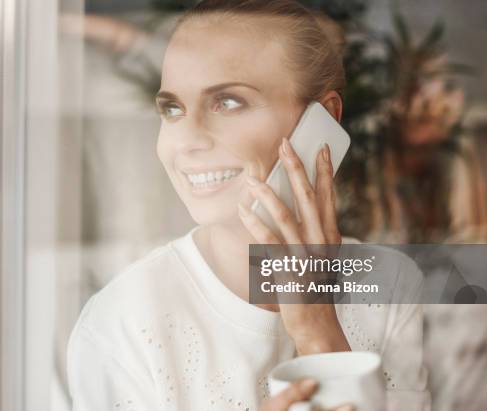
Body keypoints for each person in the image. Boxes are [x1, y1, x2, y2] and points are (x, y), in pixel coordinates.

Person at [67, 1, 430, 410]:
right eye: (173, 108)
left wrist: (316, 330)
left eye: (228, 102)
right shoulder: (122, 323)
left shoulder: (389, 284)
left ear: (323, 119)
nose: (187, 140)